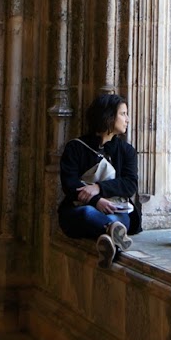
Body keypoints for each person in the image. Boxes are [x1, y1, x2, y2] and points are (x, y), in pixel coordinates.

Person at [58, 92, 141, 266]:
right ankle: (113, 237)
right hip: (84, 209)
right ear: (109, 116)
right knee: (87, 214)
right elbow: (69, 184)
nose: (127, 119)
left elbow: (130, 184)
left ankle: (108, 240)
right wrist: (96, 201)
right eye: (123, 114)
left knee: (115, 219)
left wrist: (98, 188)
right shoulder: (76, 147)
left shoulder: (126, 151)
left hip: (116, 210)